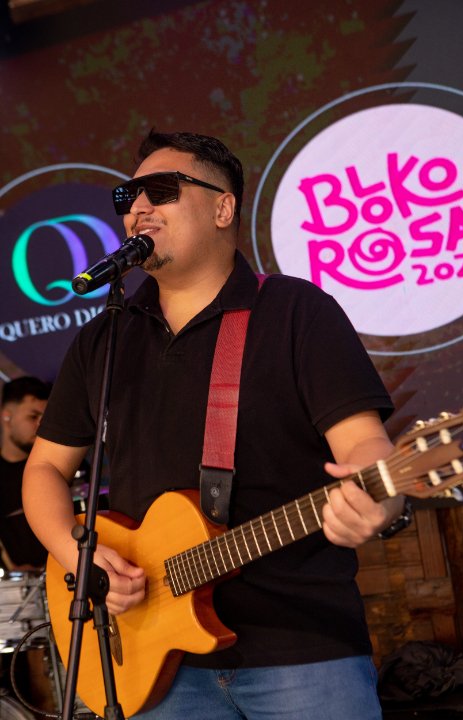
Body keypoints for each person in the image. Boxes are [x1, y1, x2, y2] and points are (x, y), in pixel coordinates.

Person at [23, 131, 408, 720]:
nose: (138, 206)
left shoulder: (296, 311)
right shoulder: (104, 336)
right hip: (153, 664)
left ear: (223, 207)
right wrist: (74, 556)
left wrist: (381, 499)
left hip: (302, 649)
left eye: (161, 190)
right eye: (128, 195)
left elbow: (363, 444)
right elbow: (46, 467)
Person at [0, 375, 50, 570]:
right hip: (15, 585)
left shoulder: (56, 465)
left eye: (45, 418)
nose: (41, 424)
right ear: (7, 417)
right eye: (33, 417)